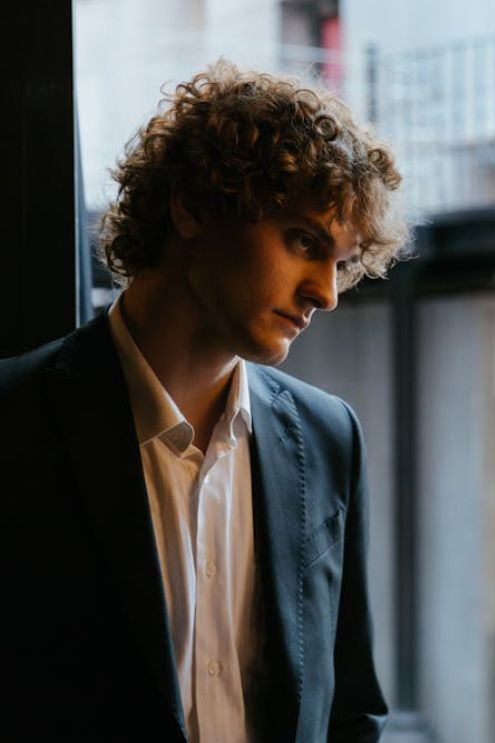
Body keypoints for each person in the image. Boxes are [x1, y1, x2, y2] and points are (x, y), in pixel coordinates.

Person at [0, 60, 405, 742]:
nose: (326, 293)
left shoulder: (330, 436)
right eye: (302, 241)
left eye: (340, 263)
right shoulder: (14, 417)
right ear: (192, 206)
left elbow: (348, 710)